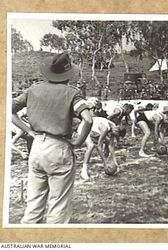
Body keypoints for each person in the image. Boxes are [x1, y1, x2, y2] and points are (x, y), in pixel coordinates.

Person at [12, 52, 93, 224]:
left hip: (37, 146)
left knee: (33, 204)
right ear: (68, 74)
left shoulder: (33, 89)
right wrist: (79, 141)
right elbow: (88, 119)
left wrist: (28, 131)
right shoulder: (72, 93)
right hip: (59, 147)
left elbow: (8, 109)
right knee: (58, 206)